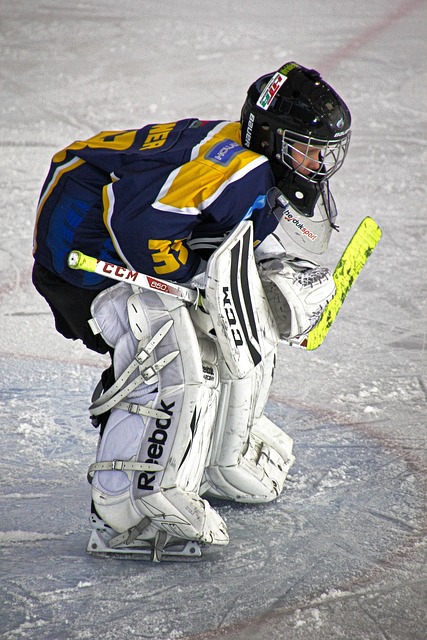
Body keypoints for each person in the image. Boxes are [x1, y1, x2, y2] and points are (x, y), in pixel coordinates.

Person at [32, 61, 351, 560]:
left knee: (228, 326)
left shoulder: (256, 166)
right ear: (272, 137)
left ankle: (224, 458)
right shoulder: (240, 172)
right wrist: (190, 279)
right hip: (85, 251)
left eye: (322, 153)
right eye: (306, 149)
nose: (316, 163)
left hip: (116, 234)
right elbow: (135, 222)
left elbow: (224, 239)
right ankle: (132, 507)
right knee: (167, 348)